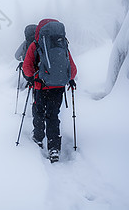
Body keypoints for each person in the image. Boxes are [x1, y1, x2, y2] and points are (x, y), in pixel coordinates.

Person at [22, 19, 77, 163]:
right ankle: (54, 148)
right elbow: (72, 69)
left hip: (41, 86)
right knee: (53, 116)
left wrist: (32, 77)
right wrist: (67, 79)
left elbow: (27, 68)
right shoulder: (62, 44)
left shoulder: (36, 44)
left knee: (39, 111)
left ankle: (38, 138)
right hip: (58, 88)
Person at [14, 24, 37, 89]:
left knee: (28, 74)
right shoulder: (40, 42)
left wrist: (24, 60)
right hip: (40, 71)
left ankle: (25, 87)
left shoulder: (26, 43)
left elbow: (16, 56)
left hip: (28, 69)